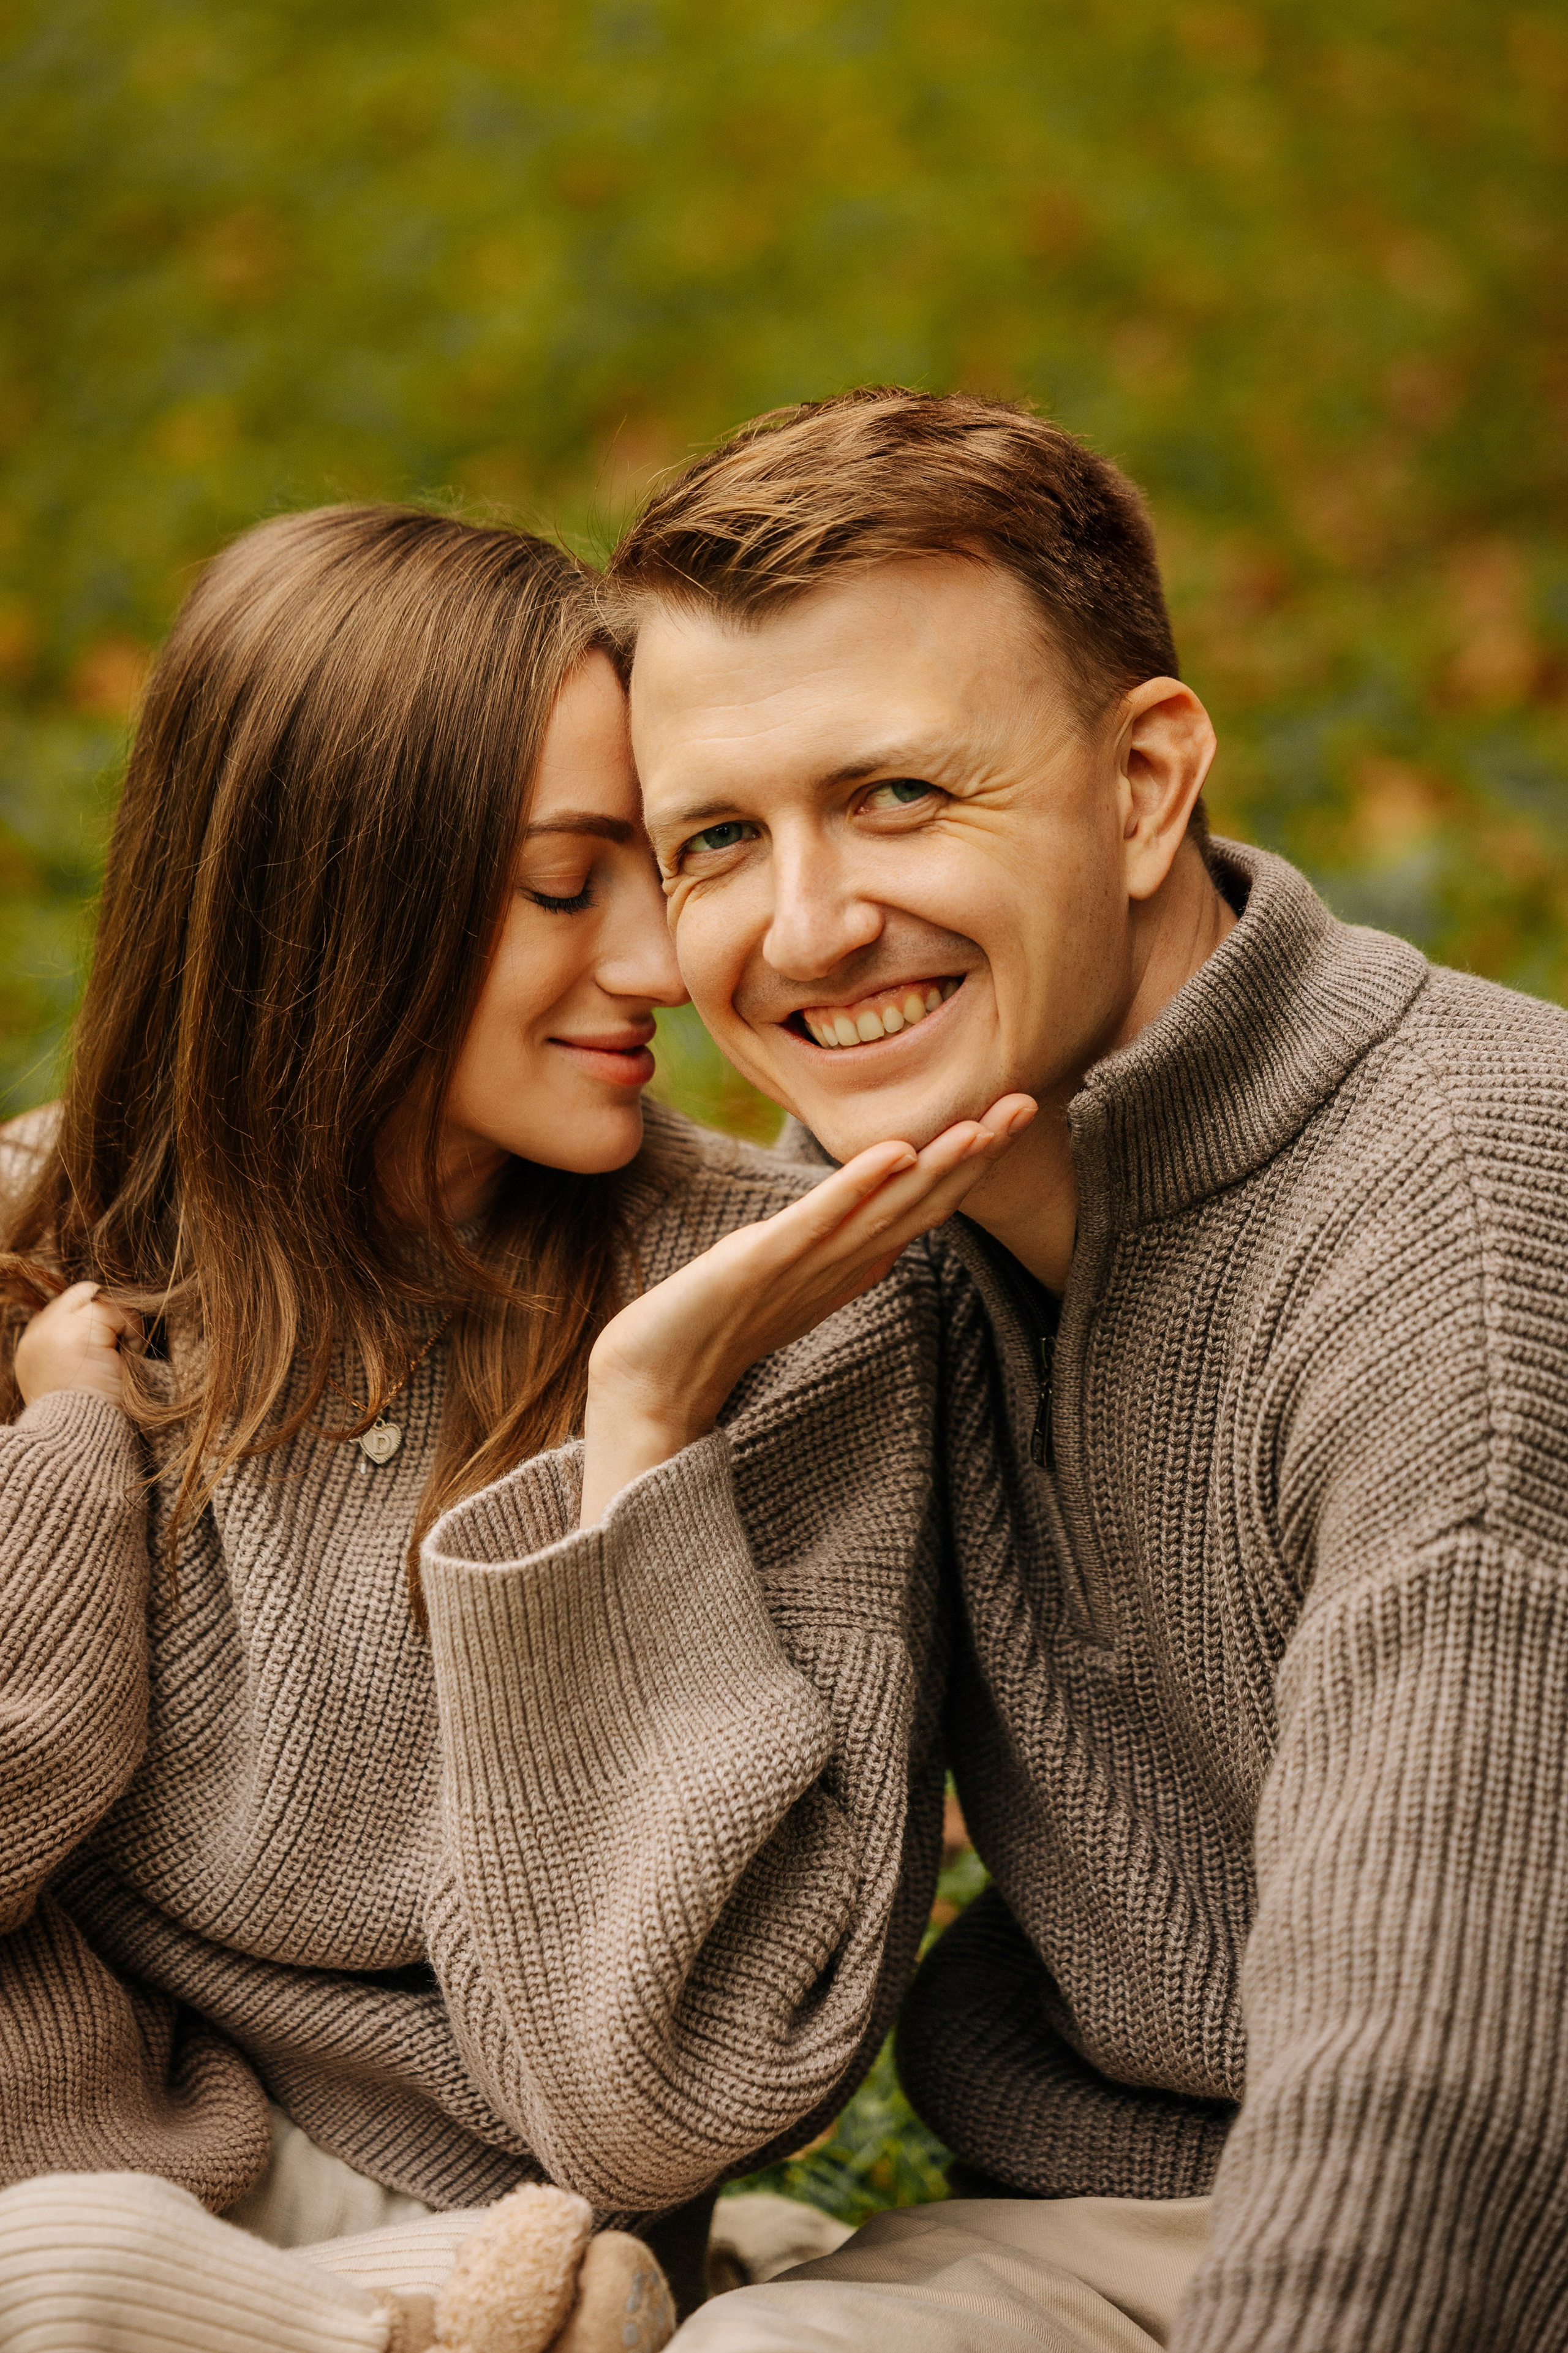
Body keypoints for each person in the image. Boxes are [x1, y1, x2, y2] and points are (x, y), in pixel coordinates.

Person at [0, 502, 1031, 2353]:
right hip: (95, 2137)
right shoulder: (47, 1249)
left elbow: (675, 2100)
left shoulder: (798, 1309)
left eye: (662, 867)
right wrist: (68, 1462)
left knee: (54, 2275)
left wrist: (641, 1442)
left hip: (489, 2201)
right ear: (332, 898)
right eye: (566, 887)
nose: (658, 967)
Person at [606, 388, 1568, 2352]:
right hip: (1101, 2216)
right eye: (717, 838)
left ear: (1143, 785)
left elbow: (1438, 2112)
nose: (809, 925)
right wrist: (636, 1447)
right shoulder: (861, 1224)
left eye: (897, 794)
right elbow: (669, 2058)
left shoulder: (1465, 1230)